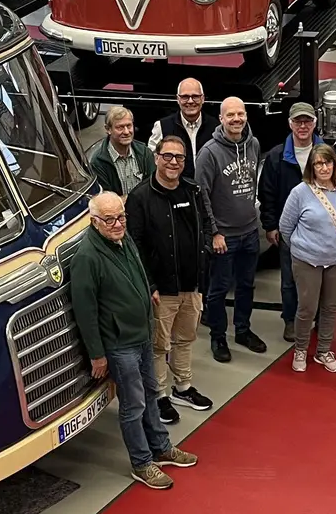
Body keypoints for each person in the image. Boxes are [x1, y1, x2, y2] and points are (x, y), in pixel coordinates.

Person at [68, 192, 198, 489]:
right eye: (110, 219)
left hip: (140, 334)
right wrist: (97, 355)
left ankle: (161, 448)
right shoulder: (87, 258)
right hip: (119, 344)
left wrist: (148, 288)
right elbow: (86, 312)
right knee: (133, 404)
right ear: (94, 221)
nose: (117, 224)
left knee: (151, 392)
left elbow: (138, 270)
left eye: (121, 216)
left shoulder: (123, 241)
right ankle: (142, 463)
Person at [126, 136, 216, 426]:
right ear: (156, 157)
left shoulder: (192, 190)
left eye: (179, 157)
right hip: (160, 289)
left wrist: (202, 269)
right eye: (167, 156)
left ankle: (183, 388)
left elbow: (203, 228)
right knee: (158, 345)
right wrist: (149, 283)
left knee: (185, 338)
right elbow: (134, 244)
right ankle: (159, 395)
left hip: (190, 284)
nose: (173, 162)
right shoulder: (140, 197)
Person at [195, 96, 264, 363]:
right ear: (221, 119)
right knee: (219, 289)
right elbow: (202, 196)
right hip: (224, 236)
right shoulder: (209, 153)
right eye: (230, 115)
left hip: (249, 231)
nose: (236, 119)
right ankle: (218, 336)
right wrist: (214, 233)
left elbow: (252, 181)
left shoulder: (254, 144)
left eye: (241, 114)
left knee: (247, 285)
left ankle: (243, 330)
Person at [278, 144, 336, 374]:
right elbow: (285, 227)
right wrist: (303, 247)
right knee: (307, 308)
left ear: (335, 164)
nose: (324, 167)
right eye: (318, 163)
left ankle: (323, 350)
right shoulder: (300, 192)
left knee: (330, 307)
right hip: (307, 261)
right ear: (311, 168)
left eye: (328, 162)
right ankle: (301, 349)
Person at [260, 102, 318, 344]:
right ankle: (290, 320)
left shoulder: (325, 153)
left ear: (315, 123)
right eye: (298, 121)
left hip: (319, 229)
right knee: (290, 278)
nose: (302, 126)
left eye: (307, 121)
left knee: (317, 277)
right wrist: (271, 225)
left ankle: (314, 317)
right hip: (289, 230)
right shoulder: (276, 156)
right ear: (290, 124)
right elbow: (267, 193)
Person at [148, 78, 214, 180]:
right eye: (185, 97)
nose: (190, 101)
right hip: (173, 192)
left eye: (195, 96)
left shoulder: (216, 127)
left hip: (209, 191)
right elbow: (152, 163)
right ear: (178, 99)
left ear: (203, 98)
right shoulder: (162, 126)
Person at [89, 105, 154, 196]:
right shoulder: (98, 162)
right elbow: (106, 200)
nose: (126, 132)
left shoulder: (145, 153)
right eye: (120, 127)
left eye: (129, 126)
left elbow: (152, 188)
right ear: (108, 129)